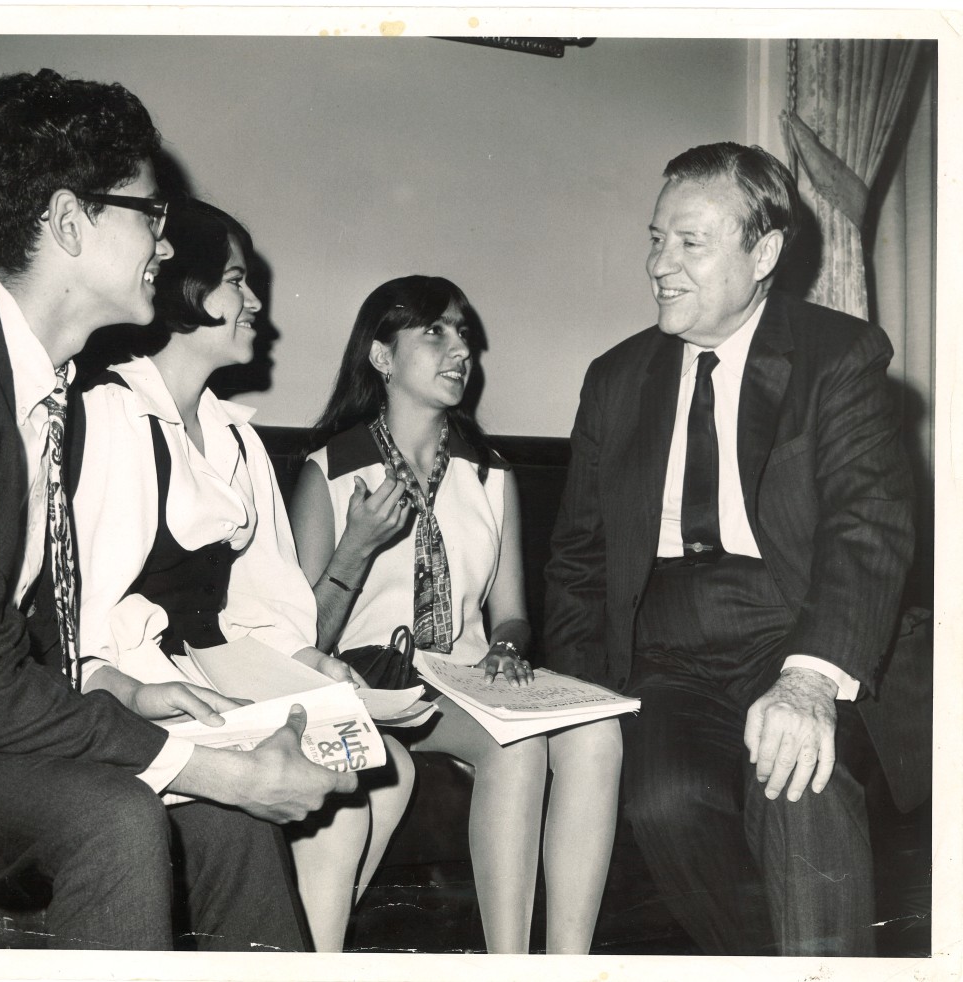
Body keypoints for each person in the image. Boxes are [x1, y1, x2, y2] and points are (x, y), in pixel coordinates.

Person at [0, 69, 353, 950]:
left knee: (229, 820)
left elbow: (24, 636)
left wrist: (125, 687)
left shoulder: (42, 382)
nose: (166, 241)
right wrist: (215, 768)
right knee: (118, 815)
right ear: (68, 221)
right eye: (150, 213)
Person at [543, 142, 922, 956]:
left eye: (690, 243)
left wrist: (809, 679)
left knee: (798, 776)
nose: (659, 265)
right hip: (662, 649)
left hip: (793, 627)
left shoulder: (839, 356)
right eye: (656, 239)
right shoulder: (615, 378)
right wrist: (578, 706)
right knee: (664, 803)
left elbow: (867, 526)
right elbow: (579, 557)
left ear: (765, 253)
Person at [70, 199, 415, 952]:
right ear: (184, 289)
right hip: (130, 681)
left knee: (379, 768)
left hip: (213, 664)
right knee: (334, 790)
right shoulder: (110, 416)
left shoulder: (234, 436)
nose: (255, 302)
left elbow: (261, 605)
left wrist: (309, 662)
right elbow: (82, 623)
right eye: (236, 281)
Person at [290, 275, 624, 954]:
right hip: (362, 686)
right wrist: (357, 545)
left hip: (462, 686)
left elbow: (512, 615)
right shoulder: (330, 470)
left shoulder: (490, 473)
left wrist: (507, 646)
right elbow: (299, 639)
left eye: (463, 333)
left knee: (599, 734)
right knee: (518, 744)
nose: (460, 349)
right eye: (434, 332)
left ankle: (564, 965)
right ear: (382, 356)